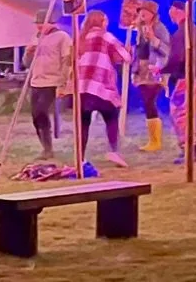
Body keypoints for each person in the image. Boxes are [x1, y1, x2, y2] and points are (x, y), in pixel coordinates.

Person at [72, 11, 133, 168]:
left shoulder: (81, 38)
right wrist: (127, 50)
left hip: (82, 87)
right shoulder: (106, 37)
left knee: (83, 123)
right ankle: (114, 151)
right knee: (111, 117)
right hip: (100, 86)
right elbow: (125, 57)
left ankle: (80, 157)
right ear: (101, 22)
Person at [164, 0, 196, 160]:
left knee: (180, 112)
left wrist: (162, 70)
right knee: (191, 112)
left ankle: (188, 148)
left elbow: (177, 57)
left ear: (179, 11)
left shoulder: (181, 33)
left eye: (172, 10)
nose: (170, 14)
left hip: (189, 77)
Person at [22, 13, 72, 160]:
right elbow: (27, 63)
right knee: (35, 116)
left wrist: (64, 81)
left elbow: (66, 59)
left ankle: (48, 148)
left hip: (52, 80)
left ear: (51, 22)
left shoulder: (62, 37)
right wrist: (28, 53)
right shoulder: (36, 37)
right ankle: (45, 148)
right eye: (37, 23)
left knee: (42, 111)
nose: (38, 26)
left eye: (42, 23)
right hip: (36, 81)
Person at [125, 0, 170, 153]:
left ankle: (155, 141)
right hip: (142, 70)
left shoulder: (159, 28)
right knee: (147, 102)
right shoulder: (140, 30)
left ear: (153, 14)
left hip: (154, 69)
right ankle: (153, 139)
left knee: (149, 101)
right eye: (140, 12)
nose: (142, 15)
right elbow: (141, 51)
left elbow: (166, 50)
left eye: (145, 12)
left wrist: (153, 39)